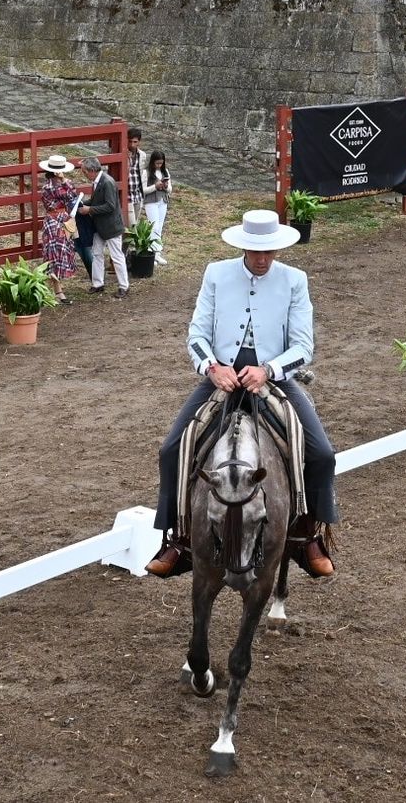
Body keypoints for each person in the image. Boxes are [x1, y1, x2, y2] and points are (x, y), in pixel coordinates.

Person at [144, 208, 338, 579]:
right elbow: (197, 335)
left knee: (323, 454)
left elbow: (302, 346)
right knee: (172, 449)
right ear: (243, 249)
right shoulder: (216, 274)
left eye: (268, 253)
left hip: (274, 381)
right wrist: (213, 369)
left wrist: (268, 370)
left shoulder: (295, 280)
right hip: (221, 378)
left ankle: (307, 534)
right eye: (255, 252)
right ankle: (177, 538)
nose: (262, 260)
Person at [77, 156, 128, 297]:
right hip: (101, 226)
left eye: (85, 172)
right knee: (97, 254)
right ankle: (97, 283)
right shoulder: (99, 181)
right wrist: (82, 204)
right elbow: (96, 201)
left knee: (117, 256)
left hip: (111, 226)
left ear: (92, 170)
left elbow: (110, 206)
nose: (84, 175)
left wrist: (89, 209)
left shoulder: (107, 183)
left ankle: (124, 286)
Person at [38, 155, 80, 304]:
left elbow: (72, 196)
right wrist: (64, 182)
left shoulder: (61, 184)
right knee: (54, 255)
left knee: (61, 253)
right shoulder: (48, 187)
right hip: (55, 222)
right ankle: (57, 291)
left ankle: (55, 290)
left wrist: (63, 182)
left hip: (62, 220)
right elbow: (69, 195)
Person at [141, 149, 171, 263]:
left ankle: (157, 253)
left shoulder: (165, 172)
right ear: (152, 162)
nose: (159, 165)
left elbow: (170, 189)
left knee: (160, 226)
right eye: (157, 163)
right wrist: (155, 186)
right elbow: (143, 190)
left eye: (161, 163)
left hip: (162, 200)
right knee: (153, 227)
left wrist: (166, 186)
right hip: (151, 201)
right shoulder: (147, 173)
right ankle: (151, 252)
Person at [124, 126, 146, 225]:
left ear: (139, 142)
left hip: (138, 195)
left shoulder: (142, 155)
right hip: (127, 195)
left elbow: (140, 172)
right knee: (132, 226)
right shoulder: (123, 155)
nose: (132, 145)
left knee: (134, 225)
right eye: (130, 141)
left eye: (135, 142)